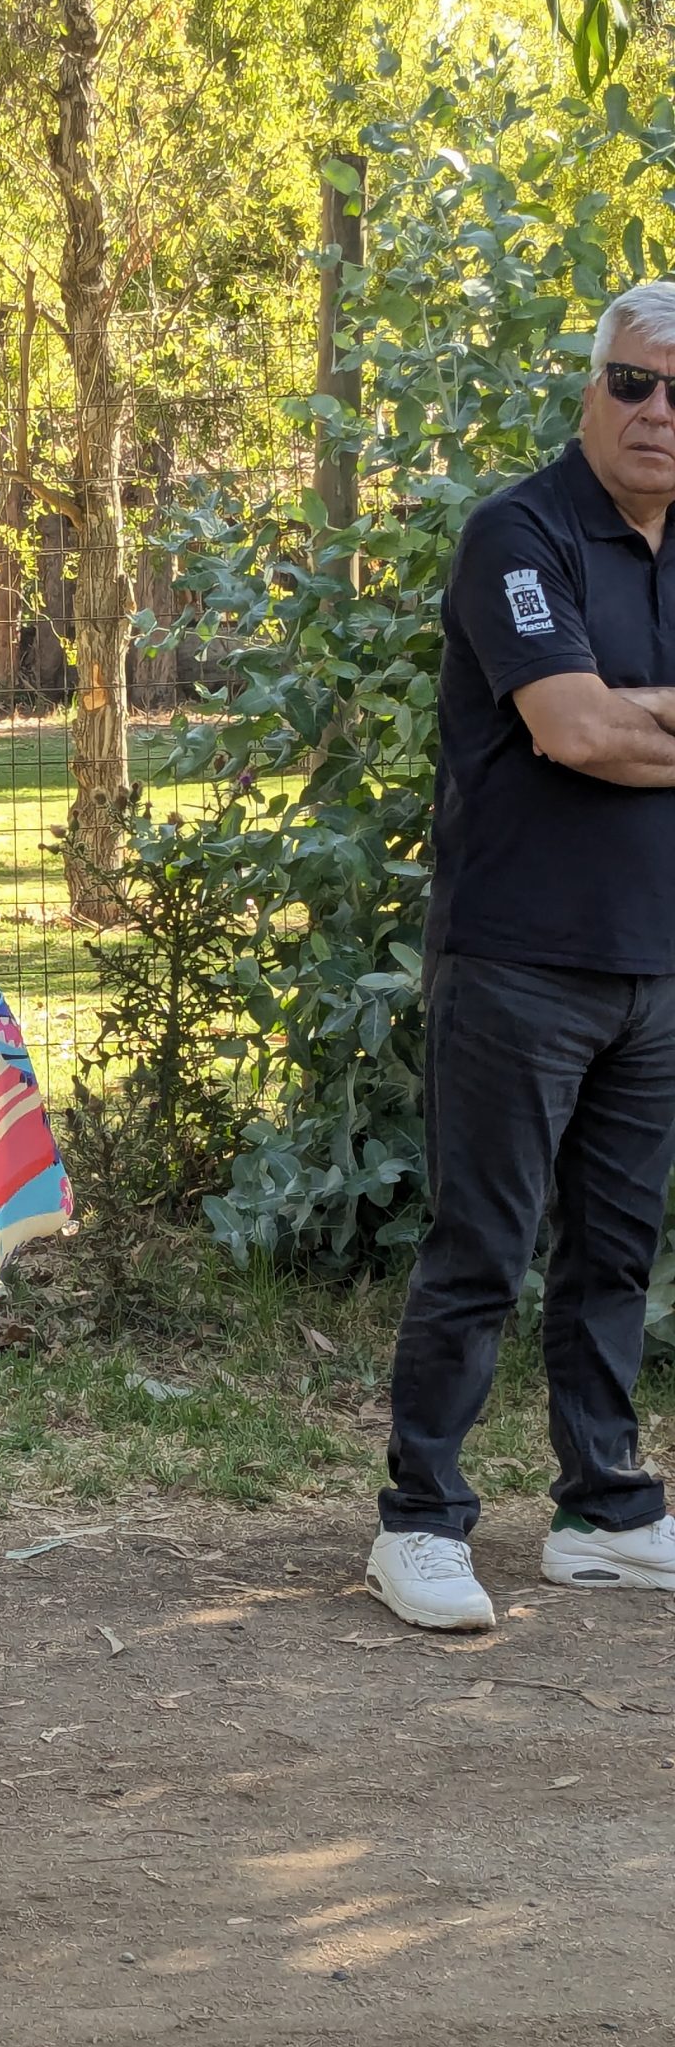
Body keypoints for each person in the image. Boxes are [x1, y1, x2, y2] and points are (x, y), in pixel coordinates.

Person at [367, 280, 675, 1633]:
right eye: (633, 382)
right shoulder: (520, 532)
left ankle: (603, 1512)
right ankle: (420, 1523)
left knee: (616, 1256)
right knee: (481, 1251)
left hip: (657, 965)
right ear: (593, 386)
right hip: (518, 961)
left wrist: (627, 712)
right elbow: (572, 730)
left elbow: (613, 725)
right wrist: (609, 718)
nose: (657, 413)